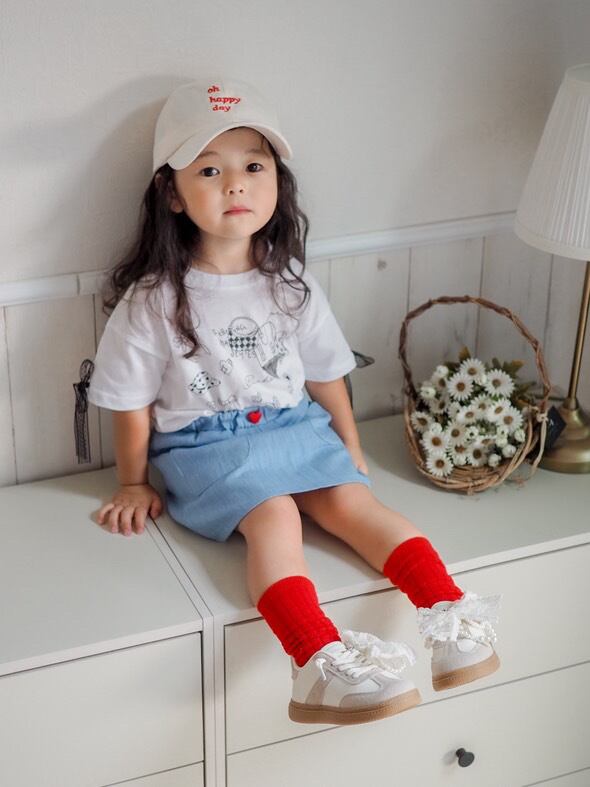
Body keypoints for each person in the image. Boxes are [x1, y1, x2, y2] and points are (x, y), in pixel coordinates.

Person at [80, 77, 501, 727]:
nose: (235, 185)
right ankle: (316, 661)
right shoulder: (156, 298)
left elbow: (327, 375)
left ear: (278, 181)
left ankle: (449, 615)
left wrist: (349, 444)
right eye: (210, 170)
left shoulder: (288, 281)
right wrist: (133, 481)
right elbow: (129, 402)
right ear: (172, 193)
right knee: (275, 517)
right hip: (208, 445)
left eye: (254, 167)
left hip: (295, 425)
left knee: (354, 502)